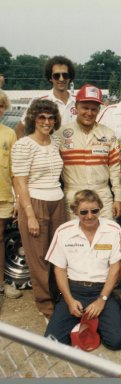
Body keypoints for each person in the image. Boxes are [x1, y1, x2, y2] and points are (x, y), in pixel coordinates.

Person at [44, 190, 121, 350]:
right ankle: (82, 325)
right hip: (74, 290)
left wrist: (101, 300)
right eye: (83, 212)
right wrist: (69, 300)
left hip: (102, 291)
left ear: (100, 209)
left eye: (94, 211)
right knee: (51, 343)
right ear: (75, 211)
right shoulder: (64, 231)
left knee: (117, 342)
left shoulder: (113, 229)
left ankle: (92, 322)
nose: (89, 216)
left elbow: (115, 268)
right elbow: (59, 270)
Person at [12, 99, 66, 318]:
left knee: (57, 255)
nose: (46, 121)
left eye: (51, 117)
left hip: (57, 201)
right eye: (42, 117)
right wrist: (29, 214)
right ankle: (46, 306)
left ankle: (58, 296)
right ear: (33, 118)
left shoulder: (55, 143)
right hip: (35, 201)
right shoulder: (24, 144)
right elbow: (20, 180)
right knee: (39, 258)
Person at [56, 84, 121, 220]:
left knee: (106, 238)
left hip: (102, 194)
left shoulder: (108, 134)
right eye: (85, 108)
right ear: (76, 107)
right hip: (73, 194)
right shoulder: (61, 134)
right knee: (75, 239)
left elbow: (116, 170)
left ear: (99, 109)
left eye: (94, 109)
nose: (89, 113)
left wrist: (118, 198)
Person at [15, 56, 76, 139]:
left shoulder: (79, 101)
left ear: (70, 77)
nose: (61, 79)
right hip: (47, 150)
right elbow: (21, 128)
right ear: (50, 78)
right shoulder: (40, 100)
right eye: (56, 76)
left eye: (65, 75)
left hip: (73, 150)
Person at [0, 90, 22, 299]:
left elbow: (14, 169)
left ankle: (1, 284)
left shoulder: (9, 133)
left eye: (0, 106)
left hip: (3, 195)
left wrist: (17, 197)